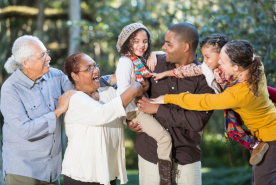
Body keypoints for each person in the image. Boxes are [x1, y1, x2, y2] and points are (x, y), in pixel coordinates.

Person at [153, 40, 276, 185]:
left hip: (271, 137)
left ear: (236, 67)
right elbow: (254, 57)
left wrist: (168, 98)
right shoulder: (256, 68)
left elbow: (203, 101)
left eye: (222, 62)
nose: (220, 64)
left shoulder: (238, 94)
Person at [0, 35, 113, 185]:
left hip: (51, 171)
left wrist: (116, 79)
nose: (48, 58)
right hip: (23, 171)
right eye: (42, 55)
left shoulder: (55, 76)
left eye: (46, 52)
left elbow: (81, 86)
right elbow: (25, 130)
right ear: (26, 63)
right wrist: (57, 111)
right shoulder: (10, 89)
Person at [128, 22, 214, 185]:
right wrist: (130, 120)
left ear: (185, 47)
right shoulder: (154, 65)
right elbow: (133, 95)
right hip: (150, 155)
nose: (164, 47)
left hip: (186, 158)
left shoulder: (206, 78)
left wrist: (157, 109)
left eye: (168, 44)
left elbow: (197, 121)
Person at [61, 53, 143, 185]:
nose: (95, 70)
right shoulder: (74, 98)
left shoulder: (107, 91)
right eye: (88, 68)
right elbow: (102, 114)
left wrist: (127, 121)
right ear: (75, 76)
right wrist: (133, 89)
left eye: (95, 66)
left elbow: (118, 112)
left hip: (107, 172)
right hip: (81, 175)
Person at [115, 22, 173, 184]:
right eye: (136, 41)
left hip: (141, 107)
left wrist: (153, 53)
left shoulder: (140, 59)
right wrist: (128, 119)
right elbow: (123, 92)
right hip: (134, 111)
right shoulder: (125, 62)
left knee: (159, 137)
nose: (141, 45)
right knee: (164, 138)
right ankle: (166, 181)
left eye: (145, 41)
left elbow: (165, 52)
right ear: (127, 42)